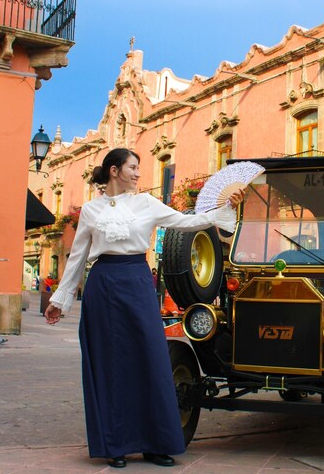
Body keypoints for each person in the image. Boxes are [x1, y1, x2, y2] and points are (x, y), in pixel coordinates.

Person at [44, 148, 244, 469]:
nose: (138, 173)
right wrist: (60, 300)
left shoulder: (147, 203)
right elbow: (78, 256)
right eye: (133, 167)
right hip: (103, 286)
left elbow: (187, 221)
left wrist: (223, 208)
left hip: (138, 282)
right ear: (114, 170)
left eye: (138, 168)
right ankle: (116, 444)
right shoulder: (91, 211)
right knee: (110, 365)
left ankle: (156, 443)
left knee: (151, 359)